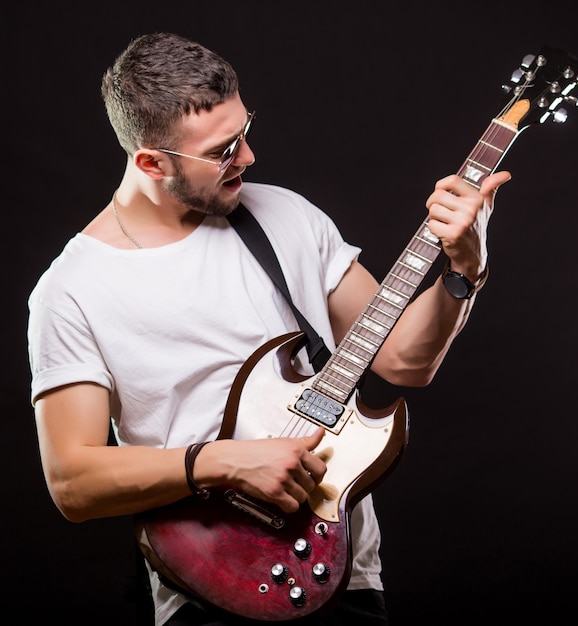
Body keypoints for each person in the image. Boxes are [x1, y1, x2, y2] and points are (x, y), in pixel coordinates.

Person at [27, 32, 510, 626]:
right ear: (151, 162)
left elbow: (405, 361)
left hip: (346, 576)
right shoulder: (73, 289)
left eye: (245, 130)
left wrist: (466, 268)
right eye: (223, 150)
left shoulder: (283, 214)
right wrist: (222, 462)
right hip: (209, 585)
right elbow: (73, 482)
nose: (249, 157)